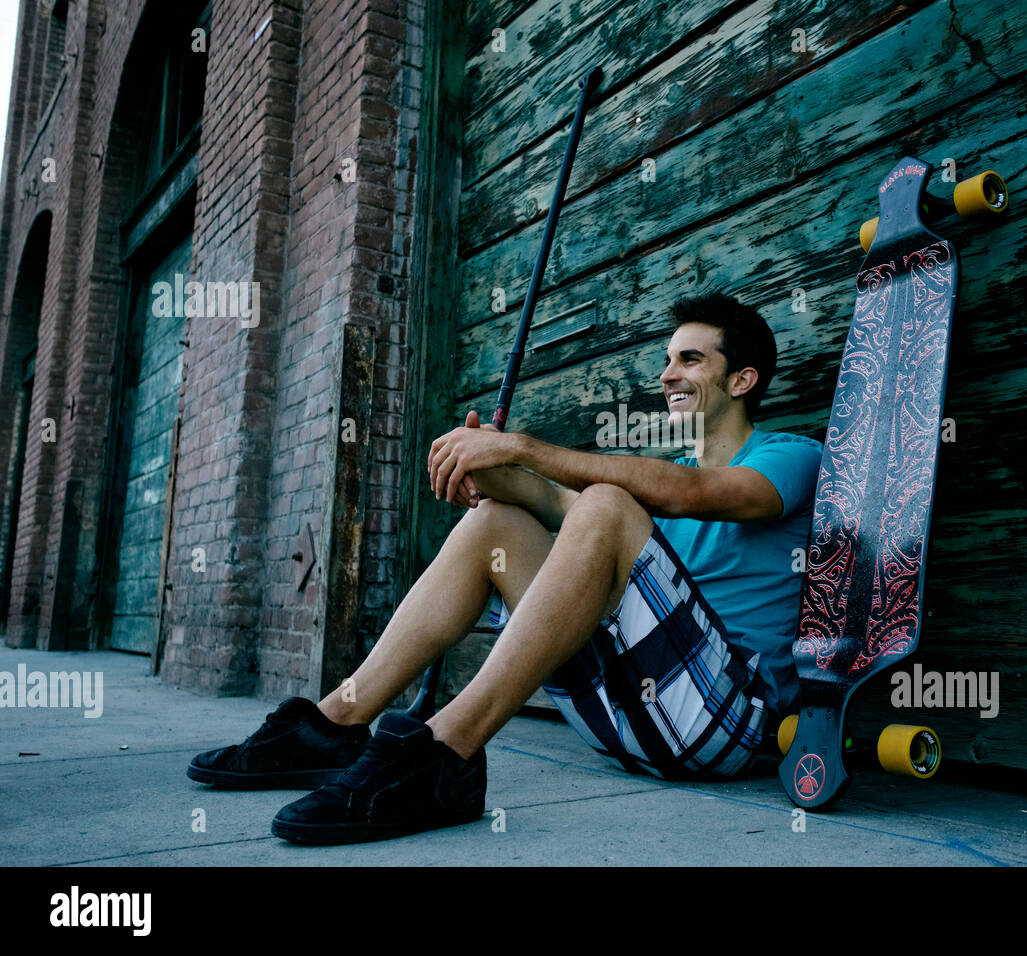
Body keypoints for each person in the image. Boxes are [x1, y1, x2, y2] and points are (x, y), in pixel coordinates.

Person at [187, 291, 823, 844]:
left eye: (691, 359)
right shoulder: (659, 480)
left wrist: (522, 446)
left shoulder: (790, 457)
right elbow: (555, 502)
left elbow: (696, 495)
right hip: (630, 715)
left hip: (726, 721)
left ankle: (445, 753)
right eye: (666, 358)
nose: (668, 373)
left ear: (741, 380)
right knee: (498, 522)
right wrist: (496, 475)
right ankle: (334, 724)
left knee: (605, 503)